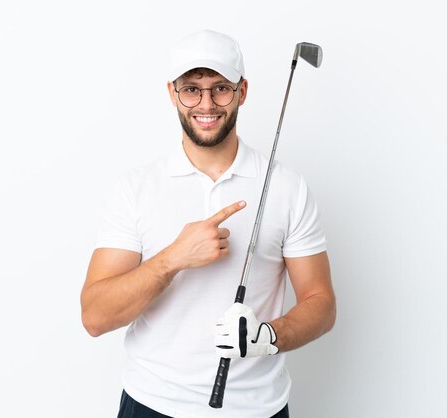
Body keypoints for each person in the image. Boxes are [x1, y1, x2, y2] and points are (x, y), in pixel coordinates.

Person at [80, 29, 336, 418]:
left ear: (242, 91)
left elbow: (321, 303)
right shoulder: (137, 188)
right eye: (191, 89)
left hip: (256, 409)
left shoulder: (286, 187)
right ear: (172, 93)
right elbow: (95, 317)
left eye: (220, 88)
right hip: (152, 404)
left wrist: (268, 336)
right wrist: (173, 259)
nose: (206, 103)